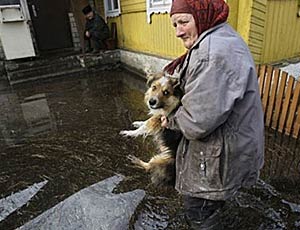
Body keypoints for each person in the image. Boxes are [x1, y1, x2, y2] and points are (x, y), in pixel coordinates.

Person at [161, 0, 264, 229]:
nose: (178, 32)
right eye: (175, 24)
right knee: (211, 206)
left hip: (222, 151)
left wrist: (171, 119)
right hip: (233, 143)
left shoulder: (212, 53)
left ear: (202, 14)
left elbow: (197, 122)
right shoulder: (219, 37)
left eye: (183, 22)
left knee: (198, 208)